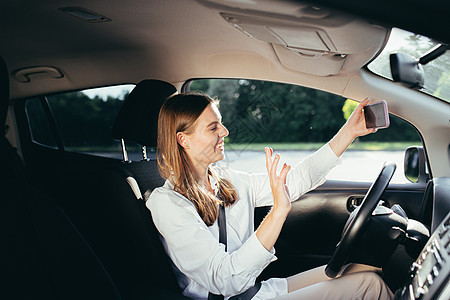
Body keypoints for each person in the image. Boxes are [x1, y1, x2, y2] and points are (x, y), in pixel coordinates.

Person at [147, 93, 394, 300]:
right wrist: (278, 212)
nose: (225, 130)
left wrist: (349, 132)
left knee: (367, 268)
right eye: (213, 127)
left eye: (220, 122)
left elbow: (298, 179)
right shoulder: (168, 203)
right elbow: (226, 280)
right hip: (236, 295)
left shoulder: (225, 180)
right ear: (183, 139)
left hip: (258, 291)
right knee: (370, 286)